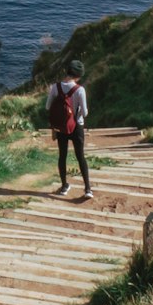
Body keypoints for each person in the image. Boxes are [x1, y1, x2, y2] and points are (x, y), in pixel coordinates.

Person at [46, 59, 92, 200]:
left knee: (62, 156)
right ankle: (87, 189)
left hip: (61, 126)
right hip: (76, 126)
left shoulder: (55, 87)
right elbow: (84, 113)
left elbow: (48, 107)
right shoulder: (80, 90)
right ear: (78, 75)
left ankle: (64, 185)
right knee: (80, 157)